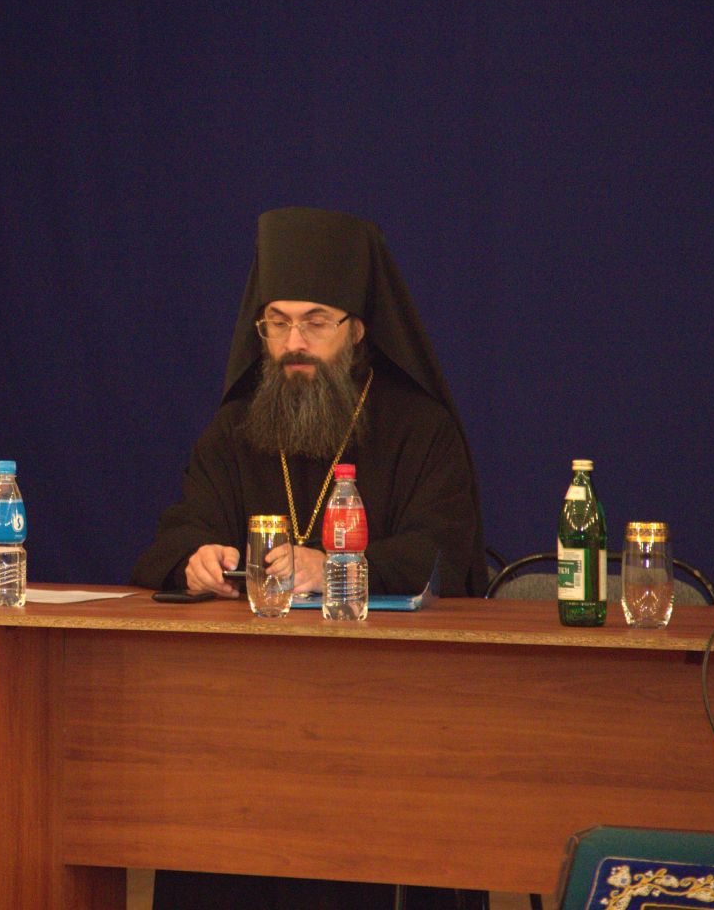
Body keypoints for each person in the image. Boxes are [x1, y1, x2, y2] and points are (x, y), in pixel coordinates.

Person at [133, 207, 486, 910]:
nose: (293, 343)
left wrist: (333, 568)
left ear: (357, 329)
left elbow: (444, 551)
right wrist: (195, 559)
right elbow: (178, 529)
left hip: (385, 717)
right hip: (239, 719)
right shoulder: (235, 428)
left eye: (315, 322)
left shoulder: (420, 428)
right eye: (277, 323)